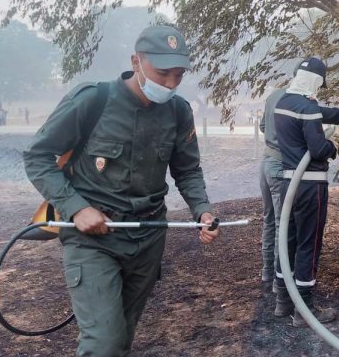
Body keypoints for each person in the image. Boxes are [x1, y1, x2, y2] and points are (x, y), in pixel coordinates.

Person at [23, 24, 220, 355]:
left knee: (122, 335)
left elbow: (187, 170)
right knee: (103, 343)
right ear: (136, 61)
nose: (170, 84)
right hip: (92, 239)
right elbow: (37, 156)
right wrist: (76, 207)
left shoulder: (179, 112)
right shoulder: (92, 100)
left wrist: (203, 209)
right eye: (162, 73)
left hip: (147, 237)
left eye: (179, 75)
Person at [272, 57, 339, 327]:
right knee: (309, 243)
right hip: (310, 186)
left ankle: (283, 302)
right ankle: (305, 311)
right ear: (317, 82)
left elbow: (317, 112)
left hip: (288, 184)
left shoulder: (284, 104)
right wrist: (336, 142)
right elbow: (317, 150)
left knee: (288, 240)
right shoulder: (308, 108)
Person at [258, 87, 287, 283]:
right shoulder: (297, 98)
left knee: (269, 219)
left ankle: (267, 271)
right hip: (280, 164)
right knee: (281, 223)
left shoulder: (273, 95)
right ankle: (279, 277)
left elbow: (262, 126)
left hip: (266, 161)